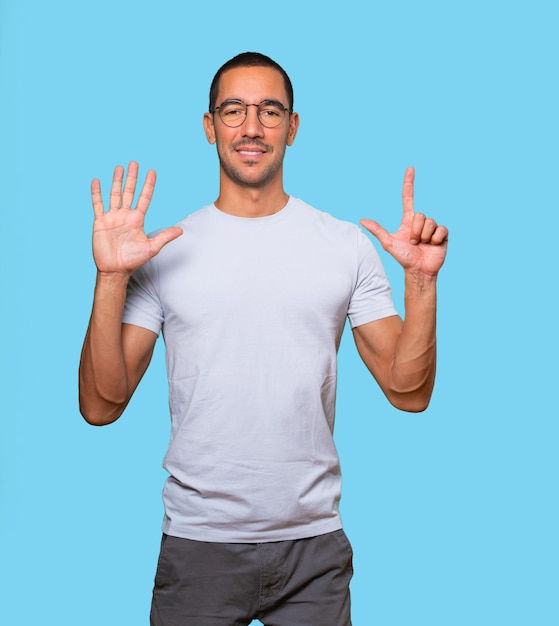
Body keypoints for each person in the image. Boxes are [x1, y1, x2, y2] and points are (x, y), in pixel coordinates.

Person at [79, 52, 448, 626]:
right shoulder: (163, 251)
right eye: (234, 110)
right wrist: (111, 278)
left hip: (314, 551)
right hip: (199, 548)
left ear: (292, 127)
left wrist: (421, 282)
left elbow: (409, 391)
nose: (251, 127)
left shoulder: (344, 245)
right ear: (209, 127)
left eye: (269, 110)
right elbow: (100, 405)